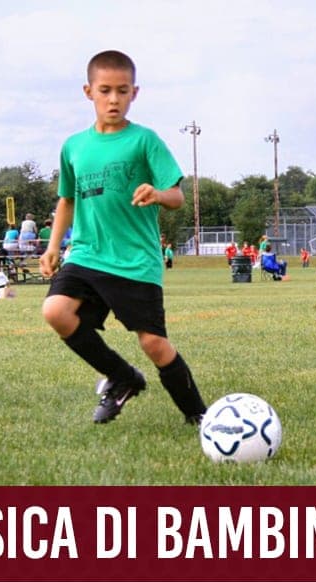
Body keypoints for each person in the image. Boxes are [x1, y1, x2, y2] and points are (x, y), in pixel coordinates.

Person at [38, 49, 207, 426]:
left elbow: (177, 197)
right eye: (105, 90)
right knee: (55, 311)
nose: (114, 99)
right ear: (88, 92)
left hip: (134, 259)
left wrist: (158, 194)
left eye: (122, 91)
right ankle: (123, 377)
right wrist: (53, 246)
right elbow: (67, 200)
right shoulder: (74, 146)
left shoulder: (144, 140)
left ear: (135, 92)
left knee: (153, 344)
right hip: (86, 253)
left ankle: (198, 415)